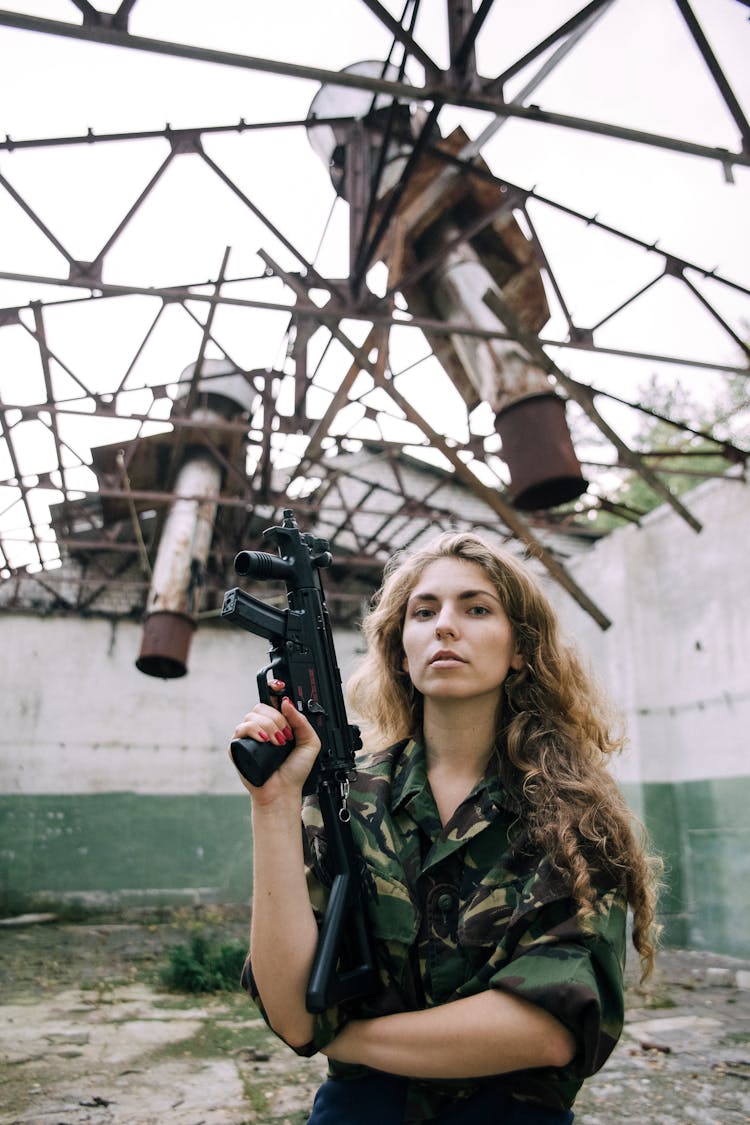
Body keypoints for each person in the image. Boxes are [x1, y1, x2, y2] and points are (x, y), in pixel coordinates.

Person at [229, 531, 661, 1124]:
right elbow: (289, 1006)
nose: (445, 626)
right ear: (401, 650)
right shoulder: (345, 798)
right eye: (424, 612)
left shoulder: (572, 814)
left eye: (477, 608)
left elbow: (548, 1028)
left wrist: (338, 1040)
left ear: (519, 649)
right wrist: (273, 807)